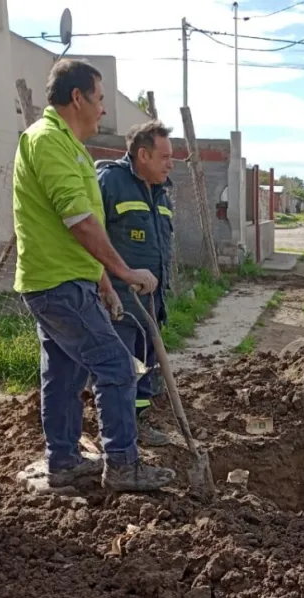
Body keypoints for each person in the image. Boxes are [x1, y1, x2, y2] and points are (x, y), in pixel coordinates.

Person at [12, 59, 175, 492]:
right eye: (100, 98)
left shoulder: (72, 148)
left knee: (64, 376)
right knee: (118, 366)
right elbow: (79, 221)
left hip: (71, 281)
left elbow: (85, 231)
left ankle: (63, 462)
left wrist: (105, 285)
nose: (104, 109)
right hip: (57, 284)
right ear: (78, 97)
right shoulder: (47, 141)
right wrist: (123, 271)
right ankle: (123, 465)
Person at [96, 121, 175, 447]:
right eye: (165, 156)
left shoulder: (160, 193)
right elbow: (88, 236)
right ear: (143, 154)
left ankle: (137, 425)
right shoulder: (110, 182)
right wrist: (104, 286)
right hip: (119, 302)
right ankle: (117, 438)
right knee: (121, 371)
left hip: (151, 302)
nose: (171, 163)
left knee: (145, 370)